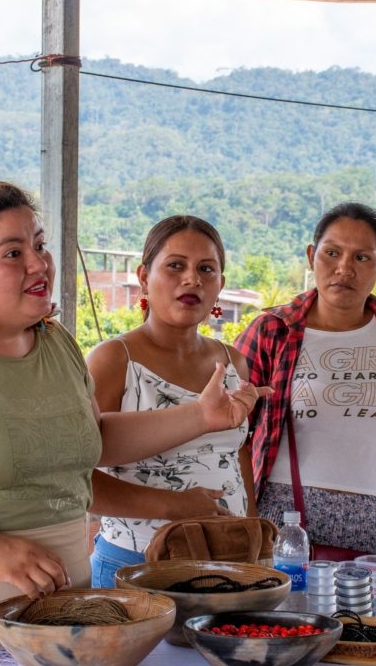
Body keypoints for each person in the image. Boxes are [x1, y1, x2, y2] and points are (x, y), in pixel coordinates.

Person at [0, 183, 268, 666]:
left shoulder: (54, 344)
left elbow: (89, 440)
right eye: (13, 253)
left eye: (39, 246)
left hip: (61, 605)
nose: (39, 264)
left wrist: (199, 417)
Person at [236, 202, 376, 561]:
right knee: (284, 619)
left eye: (362, 258)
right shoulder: (272, 331)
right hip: (281, 529)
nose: (344, 269)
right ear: (312, 256)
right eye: (332, 253)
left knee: (370, 619)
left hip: (375, 532)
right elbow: (229, 434)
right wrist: (246, 525)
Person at [87, 216, 259, 588]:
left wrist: (254, 541)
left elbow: (236, 455)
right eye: (175, 265)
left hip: (228, 560)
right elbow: (76, 477)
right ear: (143, 277)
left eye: (206, 269)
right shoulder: (114, 360)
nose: (192, 279)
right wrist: (173, 505)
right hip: (136, 564)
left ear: (220, 286)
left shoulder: (233, 362)